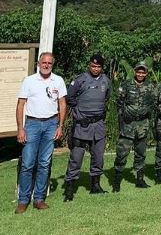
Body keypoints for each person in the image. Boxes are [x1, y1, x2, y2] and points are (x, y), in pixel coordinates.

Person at [15, 52, 67, 214]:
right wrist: (20, 129)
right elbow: (20, 105)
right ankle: (23, 200)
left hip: (51, 124)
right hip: (32, 124)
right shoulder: (29, 81)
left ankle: (39, 199)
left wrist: (60, 126)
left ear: (53, 64)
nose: (46, 65)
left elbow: (62, 104)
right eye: (44, 62)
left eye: (49, 63)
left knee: (44, 163)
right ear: (38, 63)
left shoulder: (58, 80)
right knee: (28, 163)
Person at [63, 54, 112, 201]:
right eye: (93, 66)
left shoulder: (106, 81)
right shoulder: (80, 80)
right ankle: (69, 189)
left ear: (102, 68)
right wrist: (79, 111)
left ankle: (95, 186)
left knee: (98, 157)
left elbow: (107, 98)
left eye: (98, 66)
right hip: (82, 125)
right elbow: (69, 98)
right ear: (89, 65)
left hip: (98, 125)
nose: (95, 69)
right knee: (76, 158)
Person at [112, 62, 154, 192]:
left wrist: (148, 112)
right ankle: (116, 182)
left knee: (141, 153)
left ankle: (140, 180)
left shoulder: (150, 86)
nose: (140, 74)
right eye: (138, 71)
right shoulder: (126, 85)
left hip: (142, 125)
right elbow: (119, 103)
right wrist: (123, 115)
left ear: (146, 73)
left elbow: (153, 103)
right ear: (135, 72)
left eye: (143, 72)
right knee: (122, 153)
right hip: (128, 125)